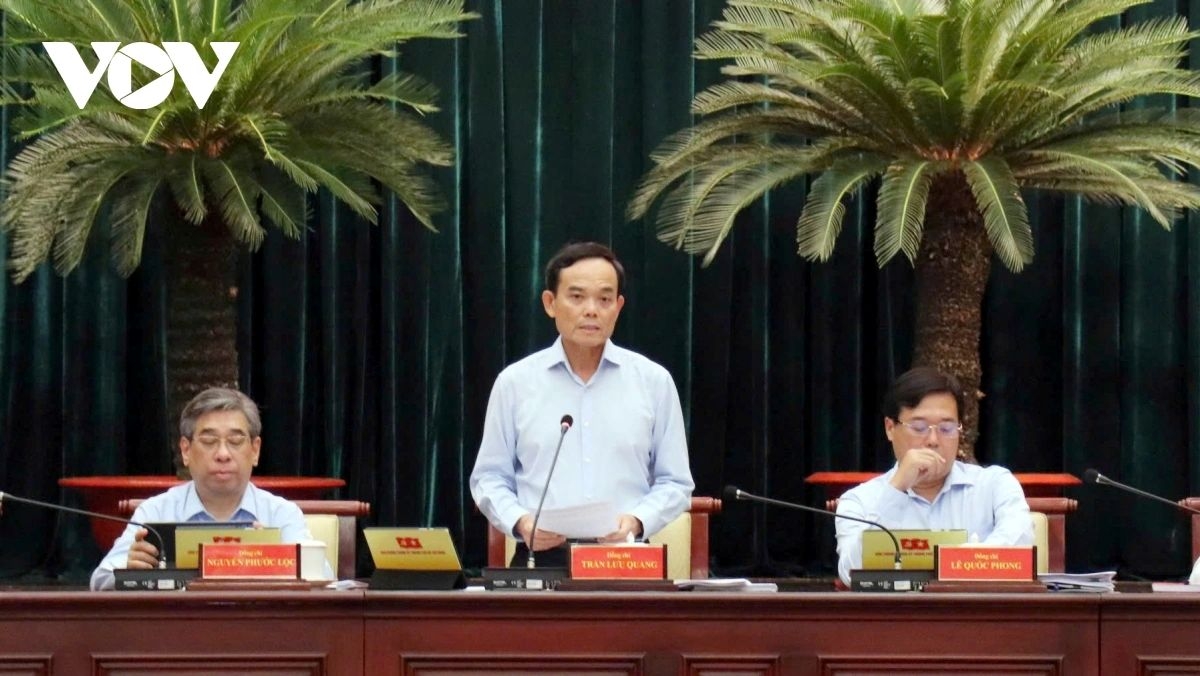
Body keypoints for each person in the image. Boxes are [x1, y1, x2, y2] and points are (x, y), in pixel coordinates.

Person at [470, 241, 695, 567]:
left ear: (618, 306)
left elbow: (675, 482)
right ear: (550, 303)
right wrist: (521, 522)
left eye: (604, 299)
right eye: (576, 297)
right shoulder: (515, 383)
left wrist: (637, 520)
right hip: (543, 558)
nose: (591, 310)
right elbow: (489, 477)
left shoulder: (653, 382)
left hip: (625, 559)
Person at [90, 387, 326, 590]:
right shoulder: (155, 512)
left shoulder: (281, 514)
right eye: (209, 441)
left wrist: (276, 563)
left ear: (255, 450)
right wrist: (129, 572)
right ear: (185, 450)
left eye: (235, 441)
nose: (223, 454)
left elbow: (325, 582)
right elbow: (99, 580)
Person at [835, 367, 1033, 586]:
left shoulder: (994, 485)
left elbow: (1021, 548)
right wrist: (897, 488)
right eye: (919, 427)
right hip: (899, 609)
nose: (933, 440)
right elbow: (851, 573)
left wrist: (956, 564)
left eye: (946, 428)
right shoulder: (859, 500)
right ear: (890, 428)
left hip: (972, 607)